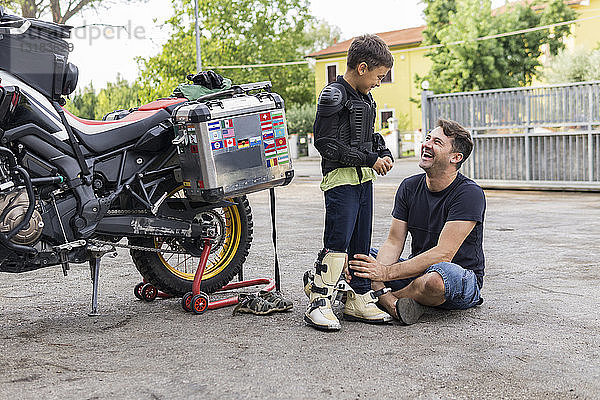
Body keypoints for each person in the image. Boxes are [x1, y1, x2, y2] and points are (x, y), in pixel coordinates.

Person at [349, 118, 486, 325]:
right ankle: (407, 301)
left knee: (436, 280)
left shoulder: (469, 194)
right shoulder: (409, 186)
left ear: (455, 157)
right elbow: (394, 242)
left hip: (458, 279)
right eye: (428, 138)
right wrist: (376, 270)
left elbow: (444, 253)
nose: (426, 144)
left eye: (437, 143)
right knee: (357, 256)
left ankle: (384, 300)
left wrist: (384, 274)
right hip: (416, 271)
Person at [304, 34, 395, 331]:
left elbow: (371, 135)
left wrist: (383, 151)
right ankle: (319, 301)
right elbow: (326, 143)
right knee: (338, 241)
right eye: (378, 76)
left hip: (364, 180)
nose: (379, 82)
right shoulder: (333, 95)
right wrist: (369, 159)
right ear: (362, 67)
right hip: (340, 180)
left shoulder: (366, 98)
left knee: (360, 244)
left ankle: (358, 296)